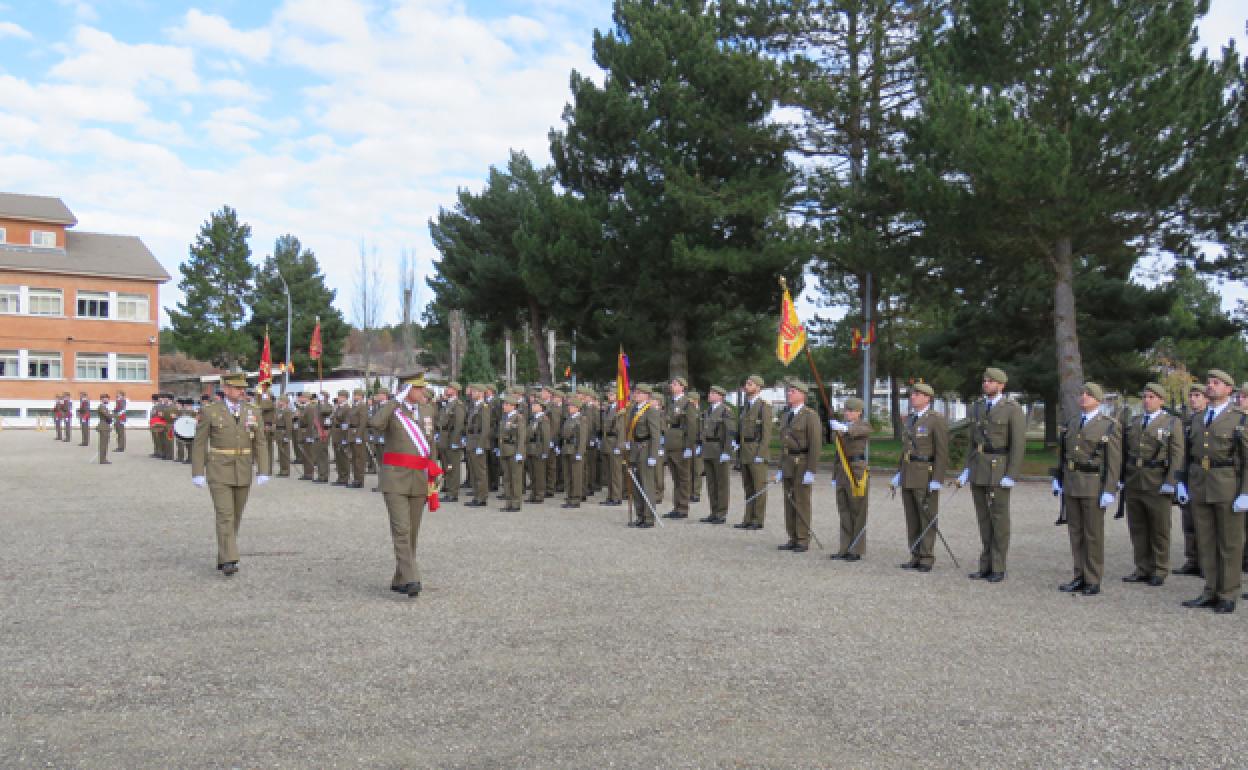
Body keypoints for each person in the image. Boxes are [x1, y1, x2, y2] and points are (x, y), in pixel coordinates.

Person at [1178, 369, 1248, 613]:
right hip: (1200, 484)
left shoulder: (1240, 419)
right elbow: (1188, 455)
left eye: (1216, 383)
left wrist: (1245, 492)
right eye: (1209, 382)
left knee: (1229, 543)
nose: (1210, 386)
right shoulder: (1197, 418)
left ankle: (1228, 593)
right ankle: (1210, 590)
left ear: (1229, 389)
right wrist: (1182, 482)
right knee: (1205, 540)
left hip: (1227, 484)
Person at [368, 375, 442, 597]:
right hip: (395, 478)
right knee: (401, 529)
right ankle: (412, 578)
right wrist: (393, 401)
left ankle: (399, 578)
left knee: (412, 532)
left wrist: (434, 470)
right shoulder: (393, 411)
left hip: (419, 477)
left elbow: (430, 444)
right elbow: (375, 424)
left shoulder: (427, 411)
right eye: (418, 389)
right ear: (407, 389)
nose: (423, 393)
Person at [190, 373, 270, 576]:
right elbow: (199, 443)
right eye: (237, 388)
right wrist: (198, 471)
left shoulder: (253, 411)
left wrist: (263, 469)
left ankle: (224, 555)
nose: (242, 391)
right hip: (219, 469)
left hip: (243, 468)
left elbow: (260, 441)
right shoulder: (210, 411)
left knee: (236, 516)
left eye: (243, 387)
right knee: (225, 514)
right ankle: (229, 560)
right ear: (225, 389)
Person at [1053, 383, 1122, 596]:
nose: (1083, 397)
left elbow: (1114, 461)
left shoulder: (1109, 426)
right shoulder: (1073, 423)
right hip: (1072, 482)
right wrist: (1059, 478)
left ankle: (1093, 578)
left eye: (1089, 395)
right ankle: (1079, 575)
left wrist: (1110, 490)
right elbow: (1064, 454)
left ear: (1098, 400)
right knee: (1076, 533)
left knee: (1092, 534)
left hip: (1093, 484)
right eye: (1081, 394)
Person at [958, 367, 1026, 582]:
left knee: (999, 520)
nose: (986, 383)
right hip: (979, 467)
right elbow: (973, 441)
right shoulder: (977, 407)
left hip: (999, 467)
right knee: (983, 519)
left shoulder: (1012, 409)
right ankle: (985, 564)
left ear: (1001, 385)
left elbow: (1018, 444)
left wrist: (1011, 474)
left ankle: (998, 566)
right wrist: (967, 468)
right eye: (984, 380)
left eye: (991, 381)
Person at [1121, 382, 1183, 586]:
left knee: (1159, 528)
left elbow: (1177, 455)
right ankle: (1142, 567)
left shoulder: (1172, 423)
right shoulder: (1135, 422)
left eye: (1152, 397)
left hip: (1157, 480)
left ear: (1161, 400)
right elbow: (1125, 452)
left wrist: (1171, 481)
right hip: (1134, 480)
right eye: (1145, 397)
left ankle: (1159, 568)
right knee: (1137, 527)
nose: (1147, 401)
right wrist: (1121, 479)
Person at [893, 383, 949, 572]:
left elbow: (942, 451)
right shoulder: (910, 419)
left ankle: (926, 557)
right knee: (912, 517)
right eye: (912, 394)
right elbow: (905, 449)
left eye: (917, 394)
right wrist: (899, 472)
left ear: (928, 398)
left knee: (926, 516)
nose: (913, 397)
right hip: (908, 473)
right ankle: (915, 554)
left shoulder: (935, 419)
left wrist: (937, 479)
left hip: (926, 473)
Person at [776, 380, 822, 553]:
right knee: (789, 500)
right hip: (788, 462)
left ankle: (803, 538)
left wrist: (811, 469)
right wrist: (780, 467)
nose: (789, 393)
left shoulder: (810, 415)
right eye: (788, 391)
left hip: (802, 462)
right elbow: (784, 444)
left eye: (793, 391)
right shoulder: (786, 415)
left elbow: (815, 444)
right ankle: (793, 536)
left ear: (802, 395)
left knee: (801, 501)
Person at [828, 397, 871, 560]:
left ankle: (856, 549)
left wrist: (843, 429)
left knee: (857, 511)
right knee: (844, 510)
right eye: (846, 410)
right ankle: (844, 547)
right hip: (842, 472)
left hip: (856, 471)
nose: (847, 413)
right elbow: (838, 454)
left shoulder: (863, 425)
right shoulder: (841, 427)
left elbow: (858, 432)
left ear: (859, 412)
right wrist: (834, 476)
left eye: (851, 410)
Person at [736, 375, 773, 530]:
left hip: (757, 450)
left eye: (750, 384)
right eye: (746, 383)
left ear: (758, 387)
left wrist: (761, 453)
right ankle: (747, 518)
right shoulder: (746, 406)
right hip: (745, 450)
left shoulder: (764, 406)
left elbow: (766, 433)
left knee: (759, 487)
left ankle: (758, 519)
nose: (746, 386)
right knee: (748, 487)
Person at [697, 385, 736, 524]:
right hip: (708, 449)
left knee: (722, 483)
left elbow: (729, 433)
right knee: (711, 483)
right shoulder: (707, 411)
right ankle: (713, 511)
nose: (710, 395)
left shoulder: (725, 411)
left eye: (713, 393)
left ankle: (721, 513)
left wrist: (727, 451)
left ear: (720, 396)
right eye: (710, 392)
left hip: (719, 449)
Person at [626, 383, 662, 527]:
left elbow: (655, 435)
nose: (636, 395)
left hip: (646, 450)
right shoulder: (634, 410)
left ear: (647, 395)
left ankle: (648, 518)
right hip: (635, 449)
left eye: (640, 393)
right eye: (635, 392)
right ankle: (640, 515)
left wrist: (653, 455)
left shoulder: (651, 411)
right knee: (636, 486)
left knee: (647, 485)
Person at [662, 377, 698, 519]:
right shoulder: (671, 402)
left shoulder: (687, 404)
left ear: (682, 387)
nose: (672, 385)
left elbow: (692, 426)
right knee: (675, 478)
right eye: (672, 383)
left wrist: (689, 446)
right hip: (670, 443)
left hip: (681, 445)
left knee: (683, 478)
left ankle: (683, 508)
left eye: (675, 384)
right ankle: (676, 507)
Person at [437, 382, 466, 502]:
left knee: (453, 467)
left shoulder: (458, 405)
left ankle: (453, 493)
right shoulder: (449, 403)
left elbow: (459, 425)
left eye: (449, 388)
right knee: (447, 466)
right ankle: (448, 488)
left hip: (452, 439)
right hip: (445, 438)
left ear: (455, 390)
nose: (446, 389)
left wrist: (455, 441)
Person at [498, 394, 527, 511]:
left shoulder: (518, 418)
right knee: (507, 478)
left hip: (514, 451)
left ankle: (516, 503)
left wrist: (520, 452)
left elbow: (521, 437)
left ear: (512, 406)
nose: (503, 406)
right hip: (505, 450)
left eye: (506, 404)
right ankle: (508, 502)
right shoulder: (505, 418)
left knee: (515, 479)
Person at [464, 384, 492, 507]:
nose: (472, 393)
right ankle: (476, 495)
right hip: (472, 441)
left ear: (481, 393)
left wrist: (481, 445)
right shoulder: (475, 406)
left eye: (475, 391)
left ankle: (482, 498)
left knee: (480, 472)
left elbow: (485, 428)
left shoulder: (484, 407)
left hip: (478, 442)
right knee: (474, 471)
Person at [560, 394, 589, 508]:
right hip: (567, 449)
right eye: (569, 406)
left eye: (572, 406)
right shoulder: (569, 418)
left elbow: (582, 438)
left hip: (575, 449)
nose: (569, 408)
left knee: (576, 476)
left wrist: (580, 453)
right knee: (568, 475)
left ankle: (576, 499)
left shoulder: (581, 419)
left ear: (577, 407)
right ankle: (569, 497)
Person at [525, 398, 550, 503]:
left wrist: (545, 452)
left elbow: (546, 437)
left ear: (541, 407)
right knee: (532, 473)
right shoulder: (533, 419)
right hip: (531, 448)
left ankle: (539, 495)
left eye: (535, 405)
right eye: (533, 405)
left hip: (538, 449)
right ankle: (533, 494)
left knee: (539, 474)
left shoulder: (543, 419)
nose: (533, 407)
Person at [95, 393, 114, 464]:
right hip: (103, 427)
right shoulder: (101, 407)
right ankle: (102, 459)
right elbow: (108, 416)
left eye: (108, 398)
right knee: (103, 444)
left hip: (106, 426)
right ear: (102, 399)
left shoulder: (104, 407)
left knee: (105, 443)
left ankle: (103, 458)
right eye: (106, 398)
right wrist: (113, 415)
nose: (108, 400)